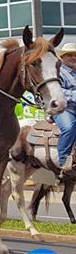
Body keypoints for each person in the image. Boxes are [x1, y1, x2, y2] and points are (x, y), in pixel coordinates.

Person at [55, 42, 76, 175]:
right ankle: (63, 161)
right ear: (62, 57)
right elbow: (57, 91)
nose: (73, 58)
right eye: (69, 55)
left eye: (75, 55)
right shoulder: (58, 72)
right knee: (69, 126)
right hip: (63, 109)